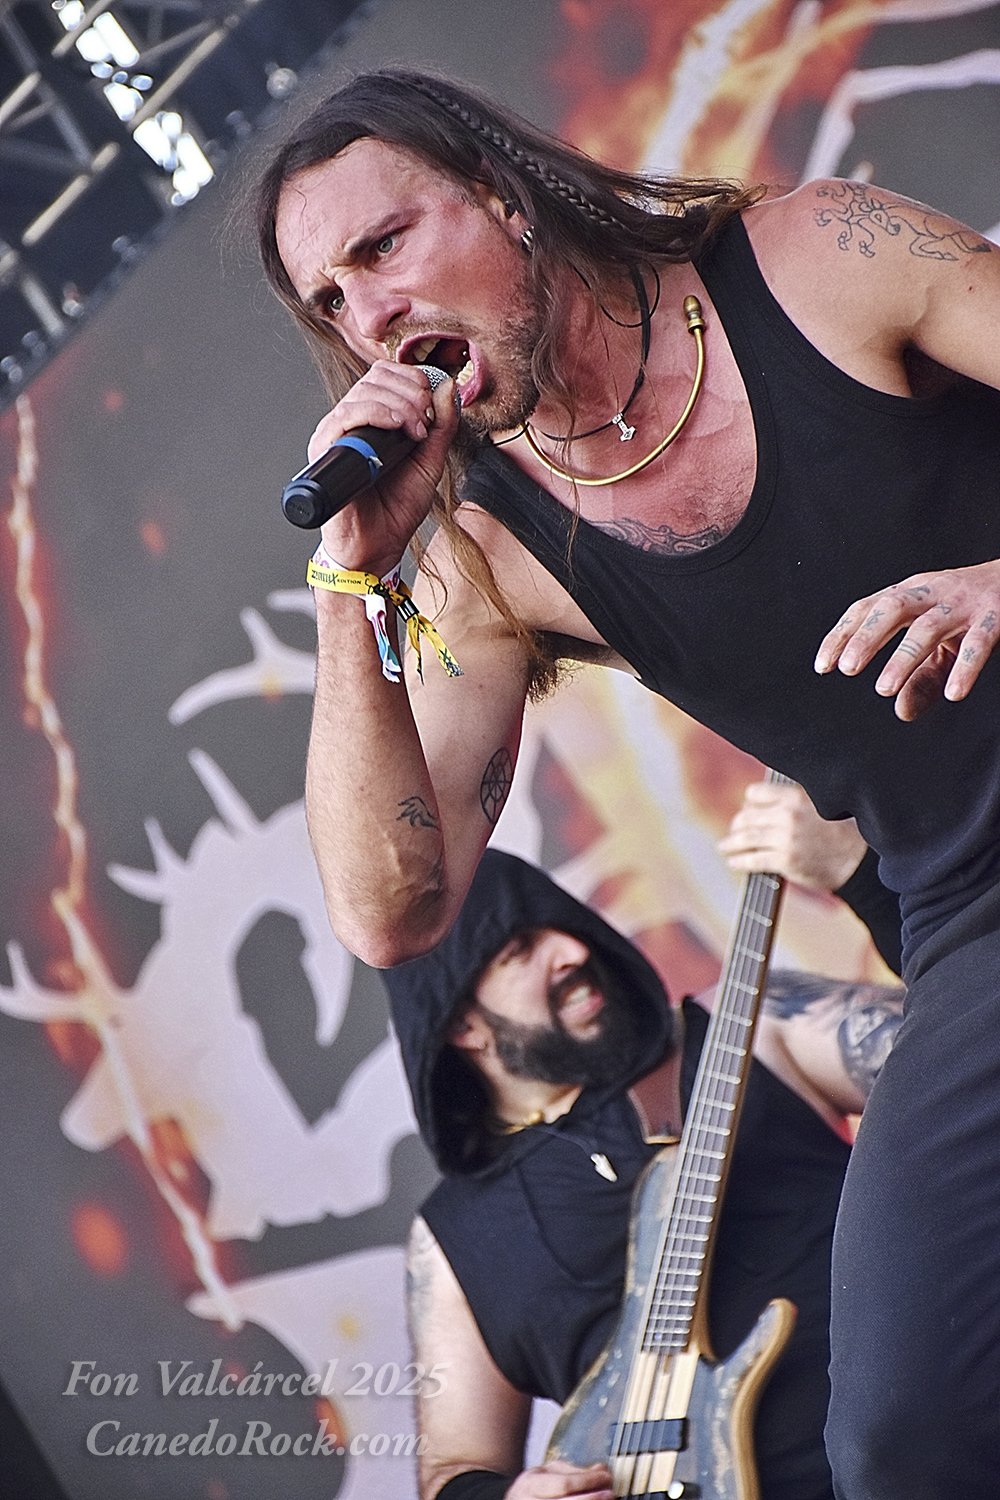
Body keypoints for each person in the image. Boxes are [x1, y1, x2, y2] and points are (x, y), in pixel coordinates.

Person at [252, 69, 1000, 1494]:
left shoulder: (820, 260)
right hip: (974, 916)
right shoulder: (493, 560)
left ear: (503, 199)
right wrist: (351, 583)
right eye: (331, 301)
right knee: (901, 1431)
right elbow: (391, 911)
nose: (369, 316)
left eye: (382, 247)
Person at [385, 847, 904, 1500]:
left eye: (559, 925)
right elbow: (452, 1470)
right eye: (520, 949)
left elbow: (968, 1046)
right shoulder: (450, 1239)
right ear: (462, 1023)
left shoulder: (748, 1028)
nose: (571, 951)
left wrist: (857, 877)